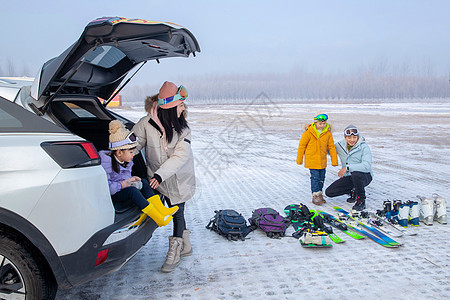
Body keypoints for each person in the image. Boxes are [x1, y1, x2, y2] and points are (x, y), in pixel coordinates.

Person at [133, 81, 196, 273]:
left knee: (177, 212)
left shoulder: (183, 128)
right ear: (168, 108)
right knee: (168, 211)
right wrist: (121, 155)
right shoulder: (146, 124)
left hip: (178, 180)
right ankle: (186, 246)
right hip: (157, 180)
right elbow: (135, 144)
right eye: (180, 105)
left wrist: (160, 175)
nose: (183, 108)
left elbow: (180, 157)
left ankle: (176, 251)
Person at [99, 120, 178, 227]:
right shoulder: (106, 164)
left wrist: (132, 179)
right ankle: (158, 218)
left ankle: (161, 210)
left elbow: (125, 177)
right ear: (119, 152)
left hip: (122, 188)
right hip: (113, 194)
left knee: (144, 182)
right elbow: (106, 188)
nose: (133, 155)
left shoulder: (126, 161)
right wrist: (123, 184)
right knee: (133, 191)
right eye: (131, 152)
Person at [325, 125, 373, 211]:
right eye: (349, 137)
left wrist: (347, 168)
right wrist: (323, 138)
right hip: (350, 177)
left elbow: (367, 166)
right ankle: (353, 191)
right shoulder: (340, 145)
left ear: (357, 137)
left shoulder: (364, 147)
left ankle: (361, 200)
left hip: (364, 176)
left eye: (354, 137)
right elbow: (328, 150)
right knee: (329, 192)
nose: (352, 140)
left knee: (356, 174)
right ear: (345, 137)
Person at [296, 114, 338, 205]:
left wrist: (334, 160)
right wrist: (299, 159)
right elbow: (302, 146)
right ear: (315, 123)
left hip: (322, 161)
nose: (322, 125)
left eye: (323, 123)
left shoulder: (327, 134)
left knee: (322, 178)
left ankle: (320, 193)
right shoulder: (308, 133)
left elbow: (331, 147)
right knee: (315, 178)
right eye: (320, 123)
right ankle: (315, 195)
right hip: (312, 160)